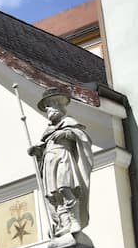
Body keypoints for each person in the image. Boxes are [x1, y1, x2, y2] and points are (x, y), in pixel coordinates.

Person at [28, 88, 93, 239]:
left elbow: (83, 138)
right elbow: (44, 149)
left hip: (63, 156)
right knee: (54, 195)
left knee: (65, 187)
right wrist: (37, 151)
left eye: (50, 106)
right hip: (50, 161)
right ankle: (64, 223)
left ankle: (75, 220)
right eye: (46, 107)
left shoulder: (69, 122)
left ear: (58, 107)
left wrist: (66, 133)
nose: (48, 110)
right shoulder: (48, 131)